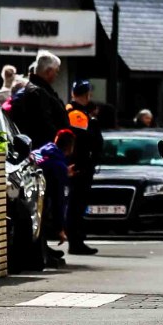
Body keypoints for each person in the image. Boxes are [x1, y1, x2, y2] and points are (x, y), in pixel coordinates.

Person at [65, 79, 104, 256]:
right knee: (76, 205)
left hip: (80, 166)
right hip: (79, 167)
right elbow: (83, 140)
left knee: (77, 204)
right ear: (87, 95)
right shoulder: (77, 115)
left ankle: (77, 240)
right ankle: (76, 242)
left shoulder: (78, 112)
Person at [6, 51, 69, 149]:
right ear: (48, 71)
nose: (57, 75)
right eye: (56, 71)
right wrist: (60, 143)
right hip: (45, 151)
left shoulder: (40, 90)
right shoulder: (37, 93)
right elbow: (44, 126)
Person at [33, 128, 76, 253]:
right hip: (42, 198)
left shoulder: (42, 153)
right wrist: (60, 228)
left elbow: (46, 165)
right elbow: (58, 199)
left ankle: (43, 249)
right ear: (70, 146)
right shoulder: (58, 166)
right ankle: (42, 252)